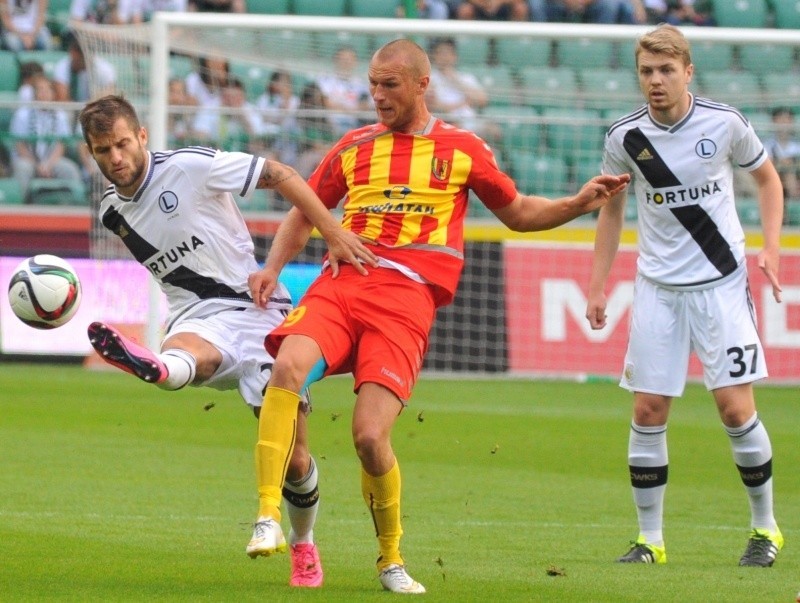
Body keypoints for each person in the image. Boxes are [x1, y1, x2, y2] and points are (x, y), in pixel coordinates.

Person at [245, 38, 629, 594]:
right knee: (284, 370)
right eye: (372, 84)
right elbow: (304, 212)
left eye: (389, 85)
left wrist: (575, 203)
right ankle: (266, 517)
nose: (376, 95)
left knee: (370, 439)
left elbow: (518, 213)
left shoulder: (463, 148)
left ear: (422, 85)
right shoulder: (352, 147)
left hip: (405, 303)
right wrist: (272, 268)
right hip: (341, 286)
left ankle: (390, 560)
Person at [77, 94, 379, 588]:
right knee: (184, 360)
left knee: (296, 460)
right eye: (103, 149)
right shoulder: (113, 210)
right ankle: (159, 367)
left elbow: (281, 173)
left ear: (143, 137)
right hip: (199, 317)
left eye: (123, 144)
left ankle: (303, 545)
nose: (116, 157)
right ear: (91, 152)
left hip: (258, 311)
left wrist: (332, 230)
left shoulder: (192, 166)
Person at [585, 24, 784, 568]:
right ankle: (650, 539)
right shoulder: (625, 138)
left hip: (720, 285)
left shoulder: (724, 124)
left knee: (735, 406)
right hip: (657, 290)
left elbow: (768, 180)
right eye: (647, 71)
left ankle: (765, 529)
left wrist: (770, 246)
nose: (655, 81)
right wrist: (599, 284)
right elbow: (612, 209)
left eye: (666, 70)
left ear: (687, 71)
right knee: (647, 411)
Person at [10, 73, 83, 201]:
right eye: (40, 90)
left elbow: (61, 144)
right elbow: (20, 145)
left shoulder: (60, 115)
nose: (44, 93)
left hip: (52, 160)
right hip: (29, 159)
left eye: (48, 89)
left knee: (70, 170)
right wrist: (37, 165)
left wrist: (48, 165)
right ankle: (21, 206)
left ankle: (72, 205)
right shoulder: (22, 114)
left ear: (53, 94)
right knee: (22, 167)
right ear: (34, 94)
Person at [314, 46, 372, 137]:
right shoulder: (325, 79)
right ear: (335, 60)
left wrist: (344, 109)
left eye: (350, 59)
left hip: (355, 125)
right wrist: (350, 109)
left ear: (355, 61)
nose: (346, 62)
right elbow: (326, 102)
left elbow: (364, 105)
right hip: (328, 125)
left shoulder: (361, 83)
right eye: (343, 58)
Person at [53, 31, 117, 103]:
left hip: (94, 109)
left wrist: (91, 105)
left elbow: (110, 94)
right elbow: (62, 99)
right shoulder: (62, 67)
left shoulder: (104, 69)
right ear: (72, 52)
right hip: (69, 111)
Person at [763, 106, 800, 203]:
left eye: (787, 119)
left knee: (790, 172)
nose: (783, 122)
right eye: (780, 119)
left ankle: (794, 202)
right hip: (773, 176)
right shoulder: (767, 144)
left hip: (795, 177)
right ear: (773, 122)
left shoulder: (797, 144)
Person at [451, 0, 529, 20]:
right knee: (465, 10)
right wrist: (484, 4)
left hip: (505, 5)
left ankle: (520, 40)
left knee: (520, 8)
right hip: (479, 5)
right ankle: (466, 40)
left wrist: (498, 2)